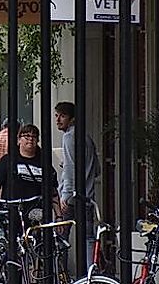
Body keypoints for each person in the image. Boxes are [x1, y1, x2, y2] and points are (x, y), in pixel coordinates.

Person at [55, 101, 100, 271]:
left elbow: (70, 168)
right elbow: (97, 169)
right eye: (57, 115)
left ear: (72, 119)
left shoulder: (69, 137)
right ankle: (91, 273)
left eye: (63, 116)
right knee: (88, 238)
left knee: (61, 237)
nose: (58, 120)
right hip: (87, 196)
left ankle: (61, 275)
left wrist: (65, 195)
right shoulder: (87, 138)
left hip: (72, 198)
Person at [0, 124, 44, 204]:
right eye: (27, 136)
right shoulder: (8, 160)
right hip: (11, 209)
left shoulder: (43, 162)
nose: (30, 139)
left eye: (34, 136)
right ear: (19, 140)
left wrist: (58, 215)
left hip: (35, 211)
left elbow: (52, 189)